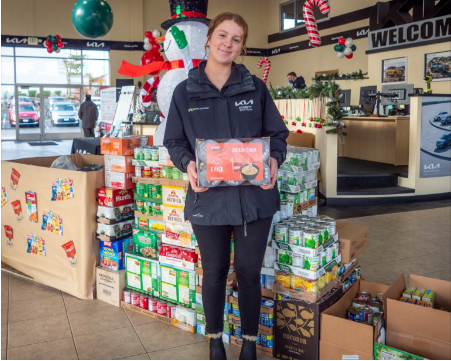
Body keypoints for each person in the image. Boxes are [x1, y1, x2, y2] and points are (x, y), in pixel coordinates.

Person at [164, 12, 288, 360]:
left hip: (254, 200)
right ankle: (215, 340)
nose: (227, 43)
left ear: (242, 47)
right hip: (209, 201)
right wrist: (188, 164)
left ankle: (249, 342)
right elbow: (174, 141)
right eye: (222, 35)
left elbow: (277, 135)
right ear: (208, 39)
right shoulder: (184, 92)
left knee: (249, 273)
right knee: (216, 272)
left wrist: (274, 159)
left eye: (235, 39)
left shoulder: (256, 88)